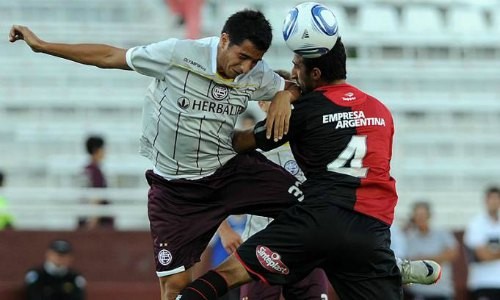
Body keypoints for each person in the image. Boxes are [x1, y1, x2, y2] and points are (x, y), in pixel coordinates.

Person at [9, 9, 300, 300]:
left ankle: (239, 277)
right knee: (175, 290)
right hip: (176, 189)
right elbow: (110, 56)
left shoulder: (257, 75)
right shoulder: (179, 53)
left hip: (229, 171)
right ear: (224, 40)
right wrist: (43, 45)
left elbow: (292, 87)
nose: (246, 67)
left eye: (255, 61)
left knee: (311, 207)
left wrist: (285, 95)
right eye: (243, 56)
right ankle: (226, 279)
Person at [177, 38, 442, 300]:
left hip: (311, 224)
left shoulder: (304, 111)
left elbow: (240, 141)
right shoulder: (379, 109)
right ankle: (391, 265)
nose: (294, 73)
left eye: (296, 67)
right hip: (369, 229)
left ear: (314, 73)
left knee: (227, 274)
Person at [218, 70, 330, 300]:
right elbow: (213, 189)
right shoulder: (247, 145)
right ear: (261, 103)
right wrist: (225, 230)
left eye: (288, 98)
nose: (283, 104)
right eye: (274, 98)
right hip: (261, 245)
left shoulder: (312, 143)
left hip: (307, 246)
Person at [404, 201, 458, 300]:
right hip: (418, 292)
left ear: (429, 216)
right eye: (417, 215)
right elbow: (407, 265)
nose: (420, 218)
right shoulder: (409, 238)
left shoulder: (442, 233)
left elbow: (452, 254)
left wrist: (422, 259)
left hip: (442, 290)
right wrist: (437, 258)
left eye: (423, 215)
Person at [463, 186, 500, 300]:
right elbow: (482, 255)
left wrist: (491, 251)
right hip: (482, 283)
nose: (494, 202)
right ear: (485, 200)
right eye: (491, 198)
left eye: (497, 198)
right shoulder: (476, 224)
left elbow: (487, 253)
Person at [77, 135, 114, 230]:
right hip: (99, 224)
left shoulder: (86, 169)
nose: (105, 151)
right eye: (103, 148)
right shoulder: (95, 171)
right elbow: (96, 196)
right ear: (96, 150)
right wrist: (93, 221)